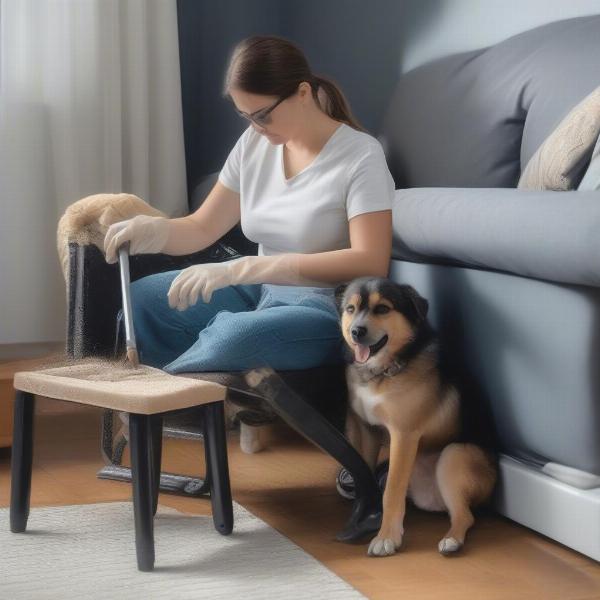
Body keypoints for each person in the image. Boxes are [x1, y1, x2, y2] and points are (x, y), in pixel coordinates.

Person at [103, 34, 395, 374]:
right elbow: (202, 227)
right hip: (256, 292)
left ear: (302, 93)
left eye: (263, 115)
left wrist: (240, 269)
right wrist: (153, 232)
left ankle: (155, 398)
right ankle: (161, 406)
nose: (256, 127)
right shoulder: (254, 143)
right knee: (142, 303)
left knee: (233, 337)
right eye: (246, 117)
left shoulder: (361, 155)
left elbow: (371, 261)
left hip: (325, 307)